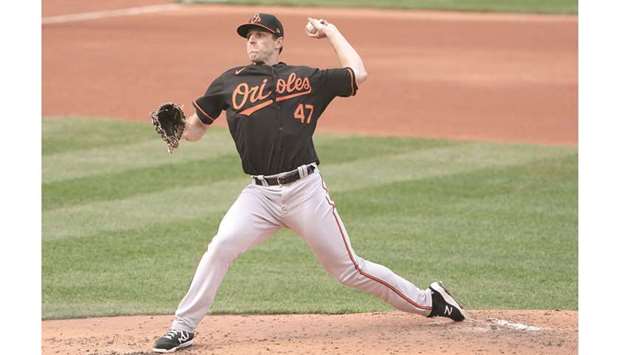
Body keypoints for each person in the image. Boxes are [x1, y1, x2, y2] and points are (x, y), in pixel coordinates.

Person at [153, 13, 465, 353]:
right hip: (259, 196)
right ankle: (183, 327)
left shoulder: (306, 77)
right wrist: (180, 129)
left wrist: (331, 31)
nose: (252, 40)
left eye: (260, 35)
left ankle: (430, 301)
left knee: (349, 270)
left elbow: (357, 73)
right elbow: (196, 129)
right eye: (249, 36)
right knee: (221, 246)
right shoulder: (228, 81)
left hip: (305, 192)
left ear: (279, 41)